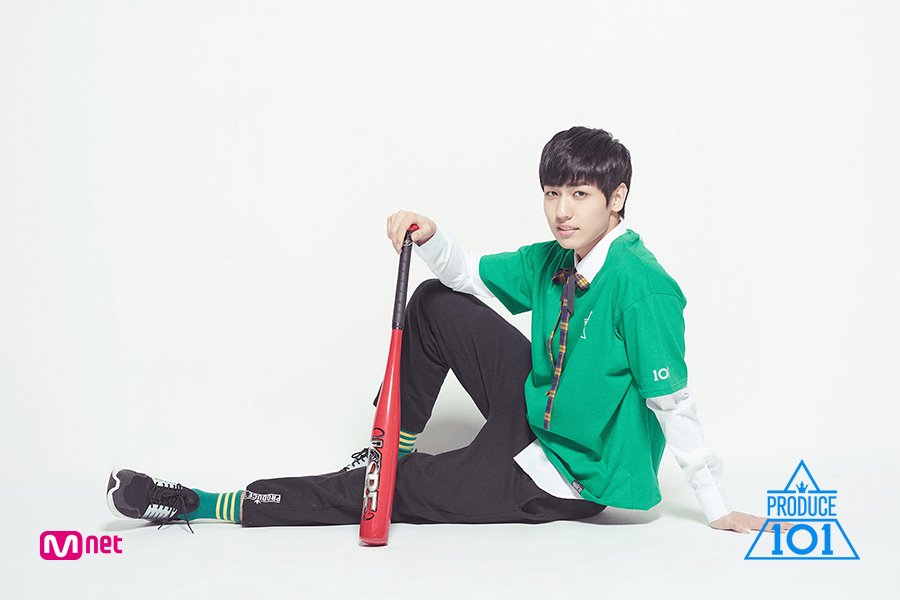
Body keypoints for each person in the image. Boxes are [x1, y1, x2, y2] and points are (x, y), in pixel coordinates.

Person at [107, 126, 771, 534]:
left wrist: (713, 502)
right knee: (433, 301)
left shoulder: (642, 285)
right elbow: (470, 280)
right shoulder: (555, 258)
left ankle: (199, 503)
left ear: (616, 197)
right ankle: (385, 448)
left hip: (565, 475)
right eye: (553, 193)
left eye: (579, 195)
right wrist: (429, 235)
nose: (561, 212)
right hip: (539, 411)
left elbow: (671, 400)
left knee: (386, 495)